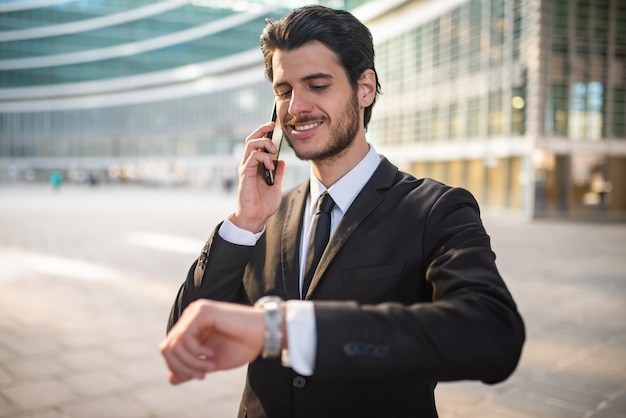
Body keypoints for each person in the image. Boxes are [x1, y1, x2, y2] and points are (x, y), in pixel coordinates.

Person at [160, 5, 525, 418]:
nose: (296, 106)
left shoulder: (436, 209)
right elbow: (185, 335)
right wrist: (244, 223)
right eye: (283, 91)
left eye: (317, 85)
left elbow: (492, 335)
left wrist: (283, 330)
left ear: (365, 88)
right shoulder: (265, 216)